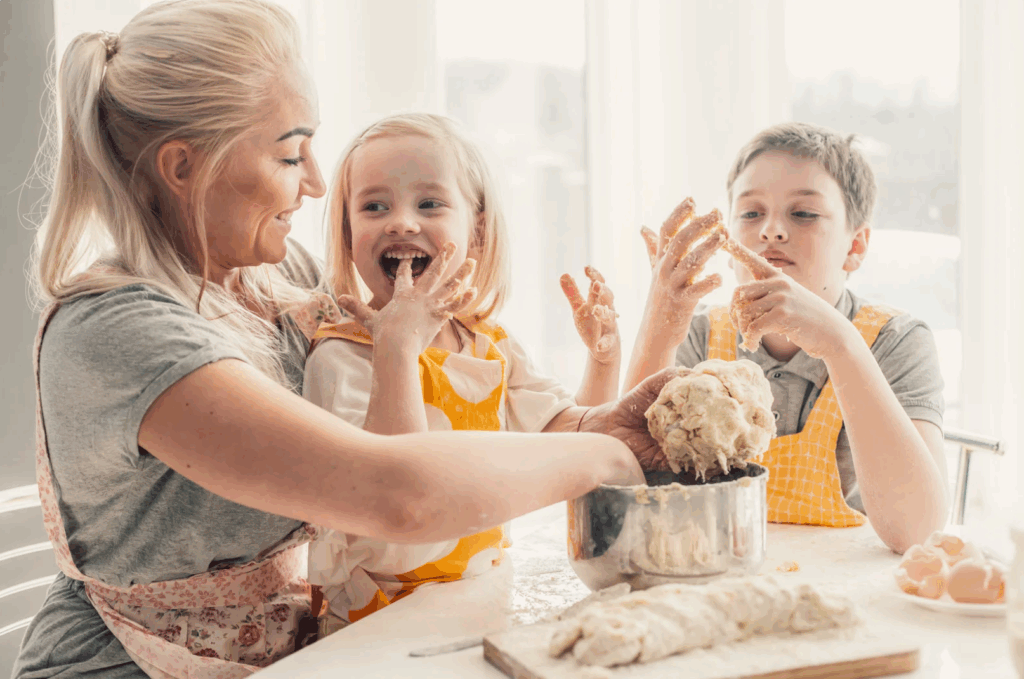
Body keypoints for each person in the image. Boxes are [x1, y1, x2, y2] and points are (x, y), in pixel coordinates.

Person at [13, 2, 672, 676]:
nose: (319, 183)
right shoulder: (118, 332)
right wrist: (605, 450)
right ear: (183, 168)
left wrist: (605, 396)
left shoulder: (274, 276)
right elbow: (396, 493)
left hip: (292, 651)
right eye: (290, 153)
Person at [298, 113, 621, 630]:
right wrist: (398, 347)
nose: (401, 222)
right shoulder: (341, 355)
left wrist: (603, 362)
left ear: (478, 231)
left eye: (429, 204)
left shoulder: (491, 342)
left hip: (478, 595)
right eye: (374, 206)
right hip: (375, 618)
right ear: (348, 233)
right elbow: (393, 501)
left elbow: (565, 436)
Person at [625, 122, 948, 554]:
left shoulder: (896, 341)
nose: (771, 232)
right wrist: (658, 326)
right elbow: (625, 487)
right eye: (751, 213)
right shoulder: (699, 335)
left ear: (856, 246)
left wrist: (841, 344)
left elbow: (917, 533)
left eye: (804, 214)